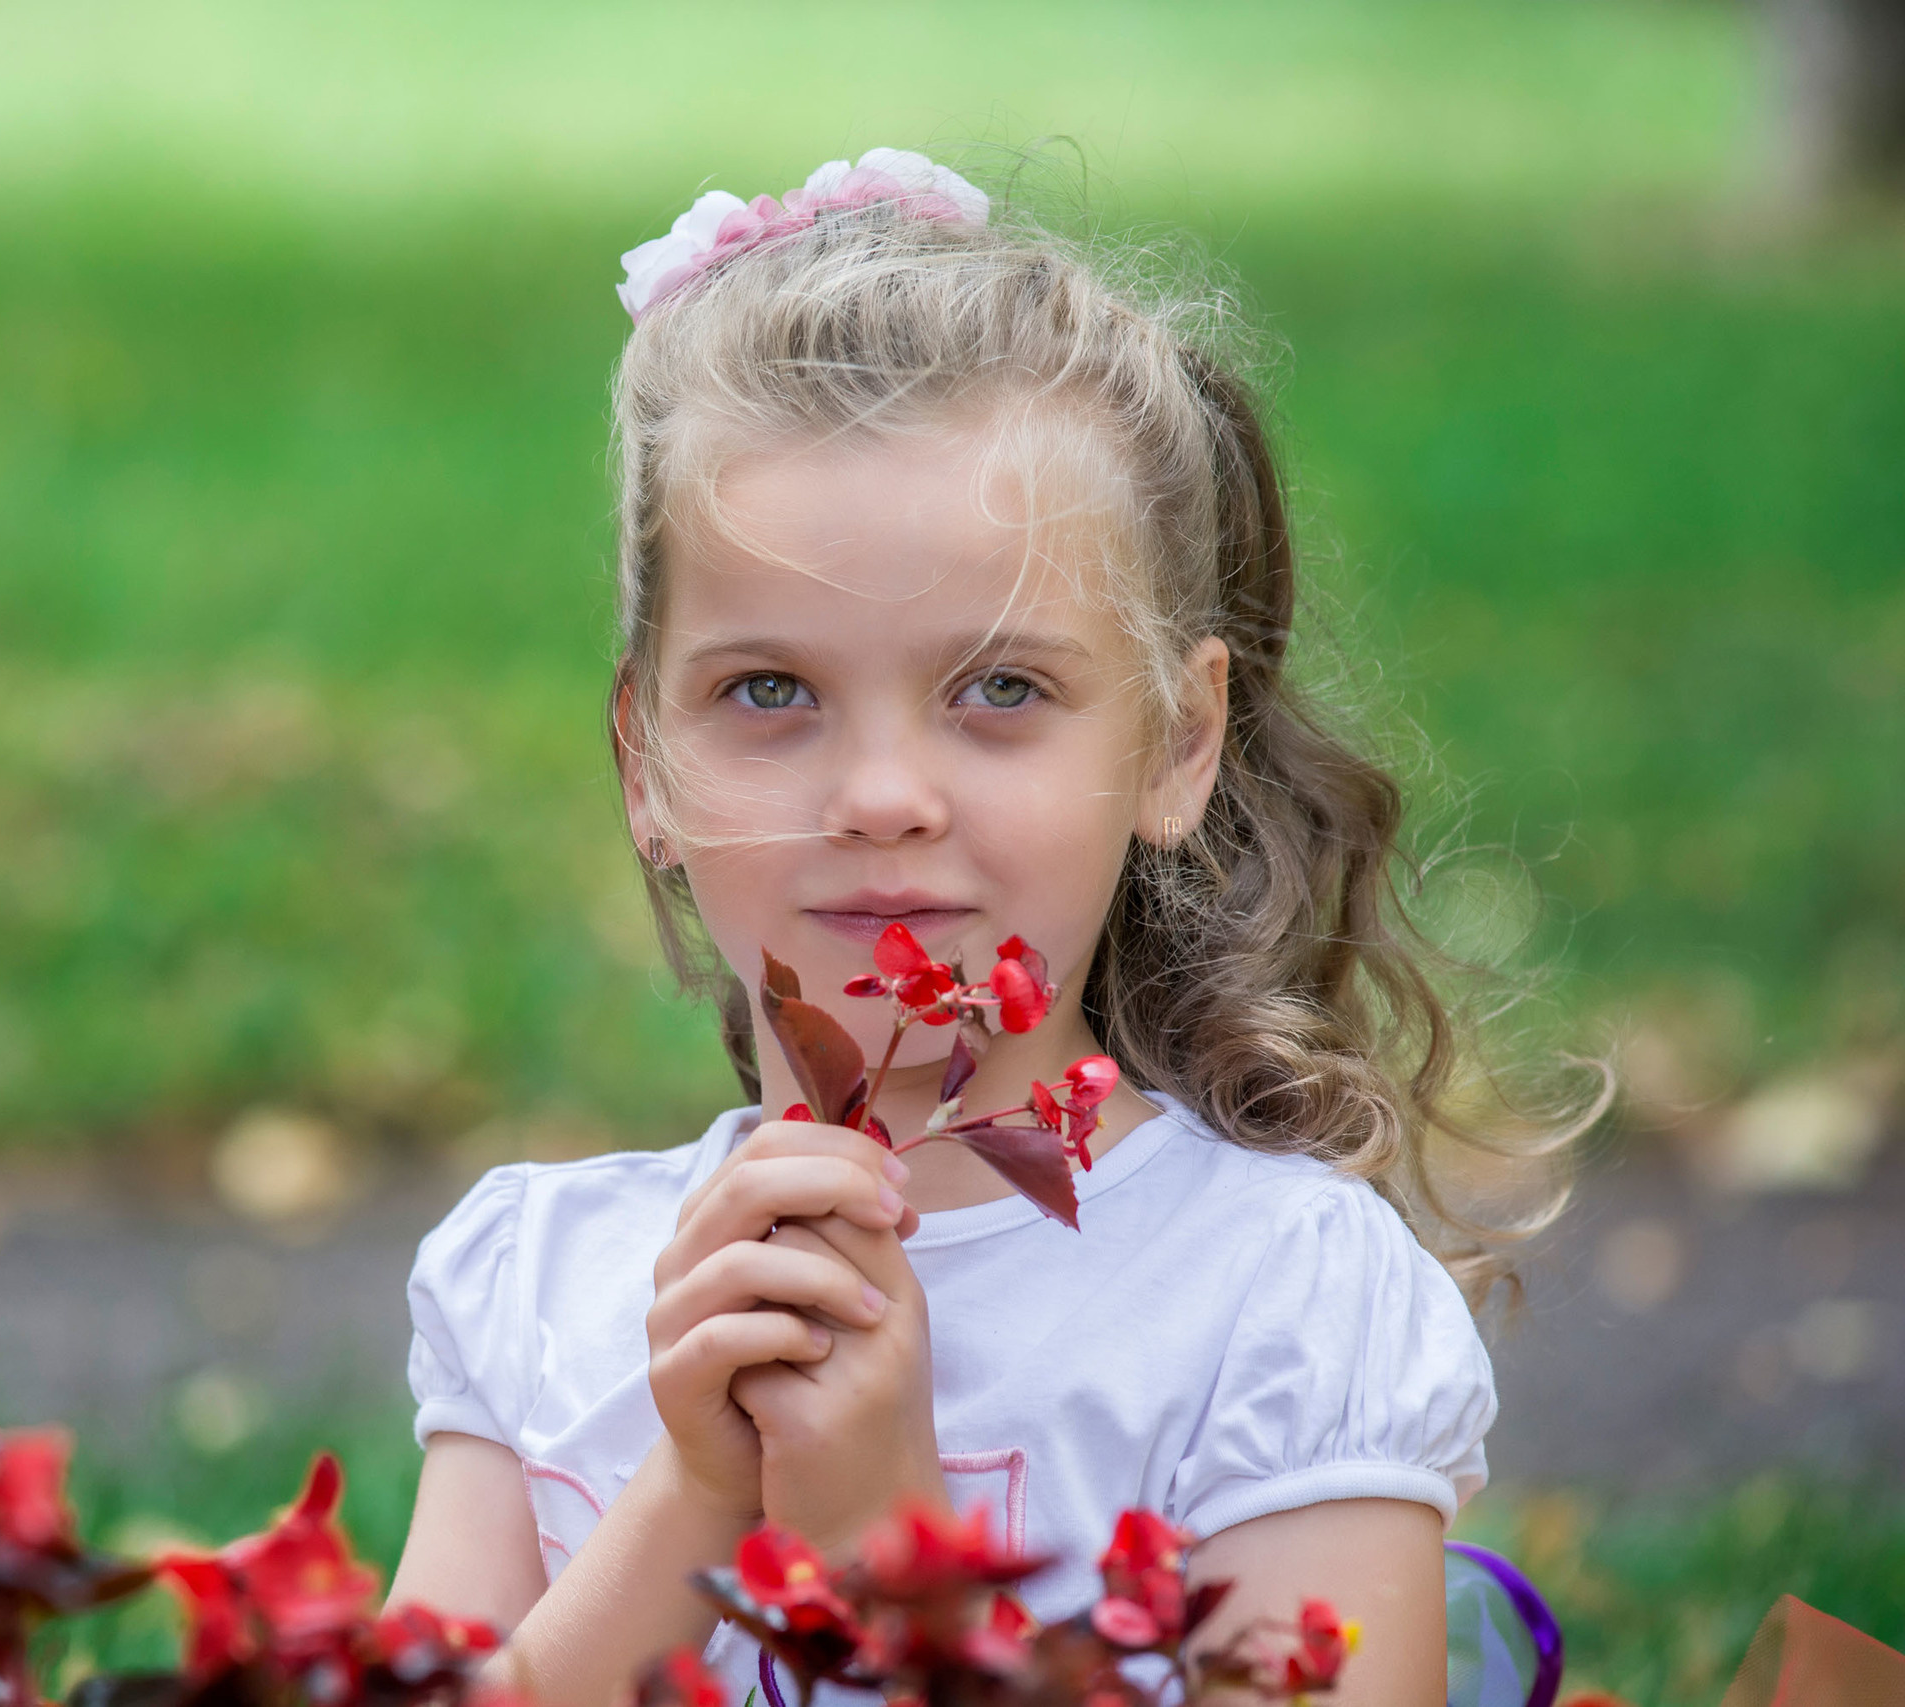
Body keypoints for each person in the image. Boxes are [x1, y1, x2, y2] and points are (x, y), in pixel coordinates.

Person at [383, 149, 1599, 1707]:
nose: (884, 795)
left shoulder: (1278, 1310)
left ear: (1175, 742)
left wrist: (896, 1558)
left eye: (1001, 691)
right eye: (770, 692)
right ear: (646, 765)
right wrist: (696, 1494)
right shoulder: (537, 1286)